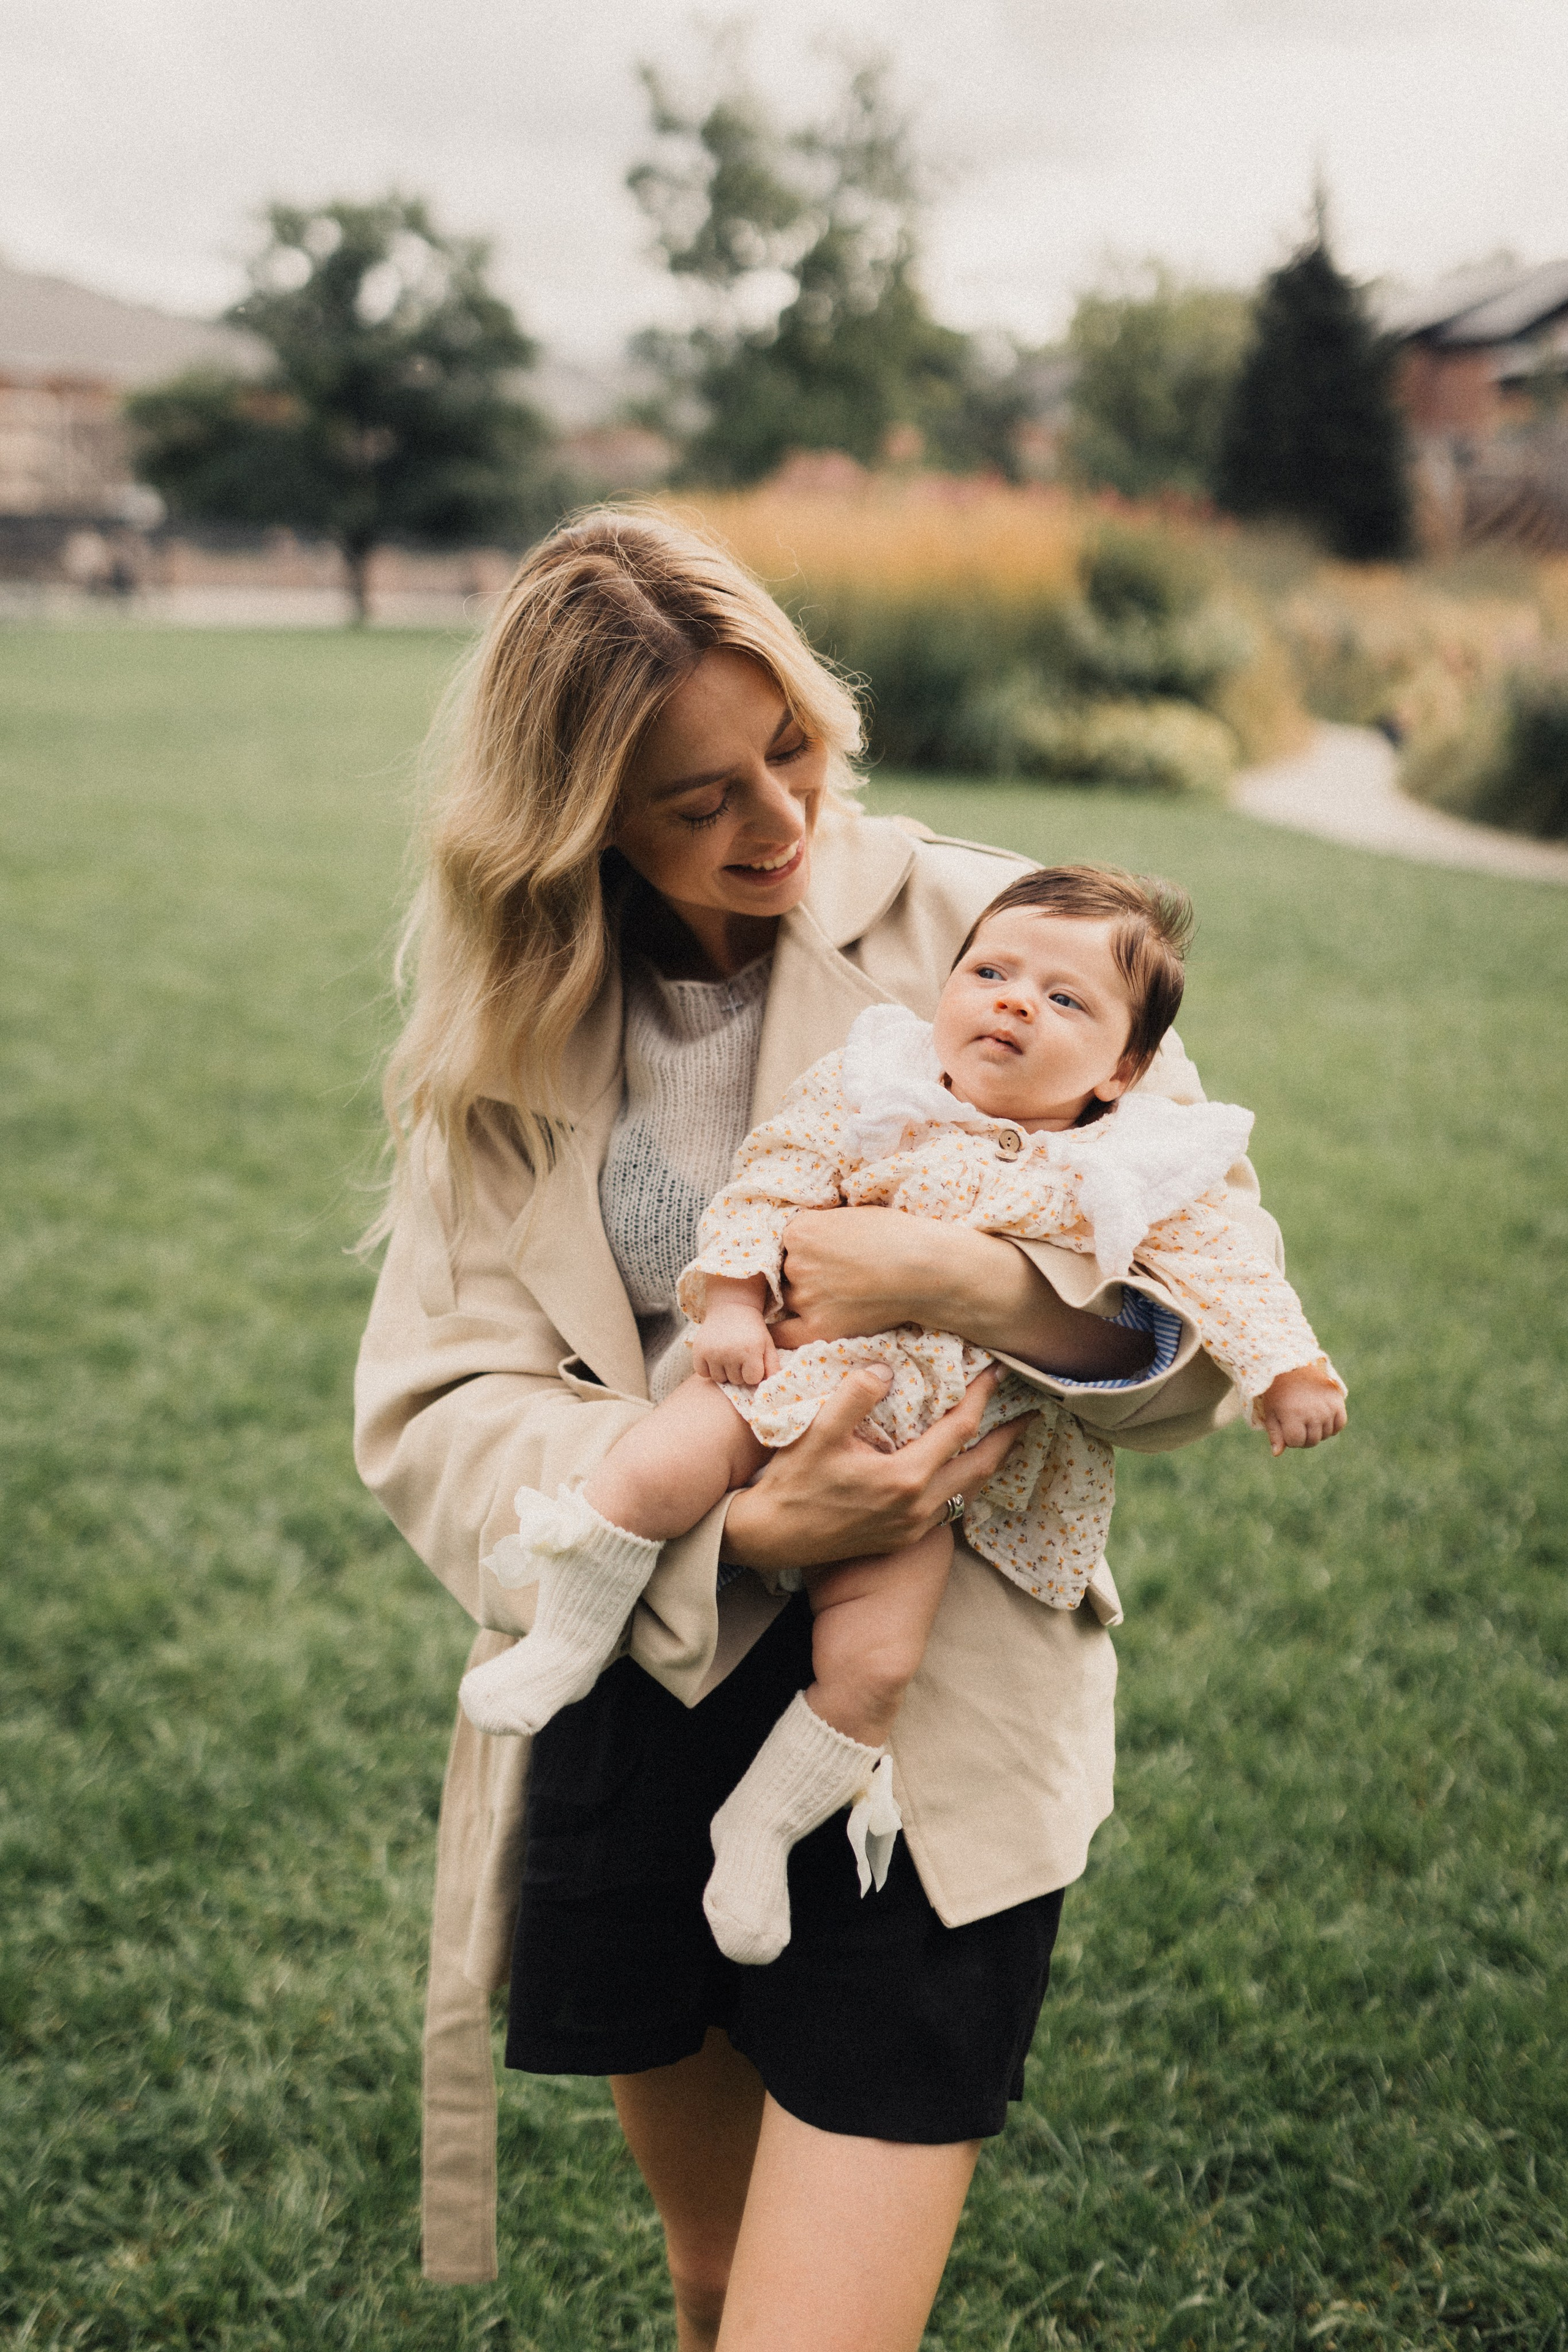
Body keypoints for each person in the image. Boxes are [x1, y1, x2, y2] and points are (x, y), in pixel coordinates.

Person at [353, 510, 1302, 2348]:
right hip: (635, 1682)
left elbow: (1200, 1319)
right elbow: (431, 1410)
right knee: (712, 2286)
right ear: (578, 817)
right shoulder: (508, 1016)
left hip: (923, 1725)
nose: (776, 821)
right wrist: (731, 1533)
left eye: (787, 745)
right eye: (697, 797)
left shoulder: (1002, 928)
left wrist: (956, 1282)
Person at [457, 863, 1346, 1969]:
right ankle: (568, 1643)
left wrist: (1290, 1368)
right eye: (991, 973)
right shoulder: (880, 1092)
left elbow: (1229, 1276)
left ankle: (763, 1830)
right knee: (648, 1472)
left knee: (876, 1667)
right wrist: (733, 1300)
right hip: (785, 1379)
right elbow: (769, 1181)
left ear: (1125, 1068)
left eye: (1065, 1001)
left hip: (935, 1473)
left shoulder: (1126, 1166)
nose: (1016, 1000)